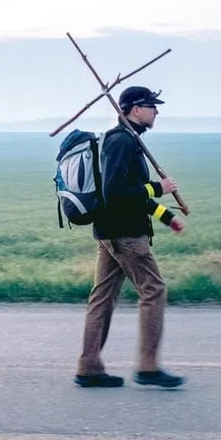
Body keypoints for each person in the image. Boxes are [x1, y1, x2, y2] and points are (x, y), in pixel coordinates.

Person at [75, 86, 186, 389]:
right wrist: (157, 188)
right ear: (135, 109)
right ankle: (148, 367)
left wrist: (166, 217)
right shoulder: (122, 141)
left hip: (111, 232)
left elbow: (134, 193)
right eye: (152, 106)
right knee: (154, 290)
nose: (156, 112)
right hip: (125, 235)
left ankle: (89, 368)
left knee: (103, 298)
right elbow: (116, 193)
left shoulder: (125, 140)